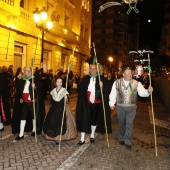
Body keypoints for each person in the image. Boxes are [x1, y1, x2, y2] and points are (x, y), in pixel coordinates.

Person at [109, 67, 153, 150]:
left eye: (131, 73)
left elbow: (142, 93)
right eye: (128, 73)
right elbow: (113, 94)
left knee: (129, 124)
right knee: (121, 123)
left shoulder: (136, 83)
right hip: (120, 107)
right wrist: (111, 103)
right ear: (123, 74)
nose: (130, 75)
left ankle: (128, 141)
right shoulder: (116, 83)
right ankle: (122, 137)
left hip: (132, 108)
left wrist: (148, 91)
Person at [76, 63, 112, 145]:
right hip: (86, 103)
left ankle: (92, 135)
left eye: (94, 68)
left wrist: (102, 86)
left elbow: (107, 91)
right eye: (91, 68)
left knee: (94, 119)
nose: (92, 70)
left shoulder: (101, 79)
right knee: (84, 119)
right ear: (89, 69)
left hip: (96, 103)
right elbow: (80, 91)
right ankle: (82, 138)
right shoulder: (84, 79)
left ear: (97, 69)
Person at [12, 66, 45, 141]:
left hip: (32, 101)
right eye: (26, 70)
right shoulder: (21, 80)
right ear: (24, 71)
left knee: (34, 116)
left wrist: (35, 87)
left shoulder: (35, 79)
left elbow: (40, 89)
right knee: (22, 116)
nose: (28, 72)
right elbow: (19, 90)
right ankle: (21, 134)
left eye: (30, 70)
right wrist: (20, 98)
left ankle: (34, 130)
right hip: (24, 101)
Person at [42, 77, 77, 143]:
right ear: (55, 83)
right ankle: (53, 136)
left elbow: (67, 101)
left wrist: (66, 98)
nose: (59, 83)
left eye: (61, 82)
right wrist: (50, 106)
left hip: (61, 108)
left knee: (60, 123)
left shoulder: (64, 90)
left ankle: (59, 138)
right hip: (54, 109)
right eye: (58, 82)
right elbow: (51, 101)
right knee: (52, 122)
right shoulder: (53, 91)